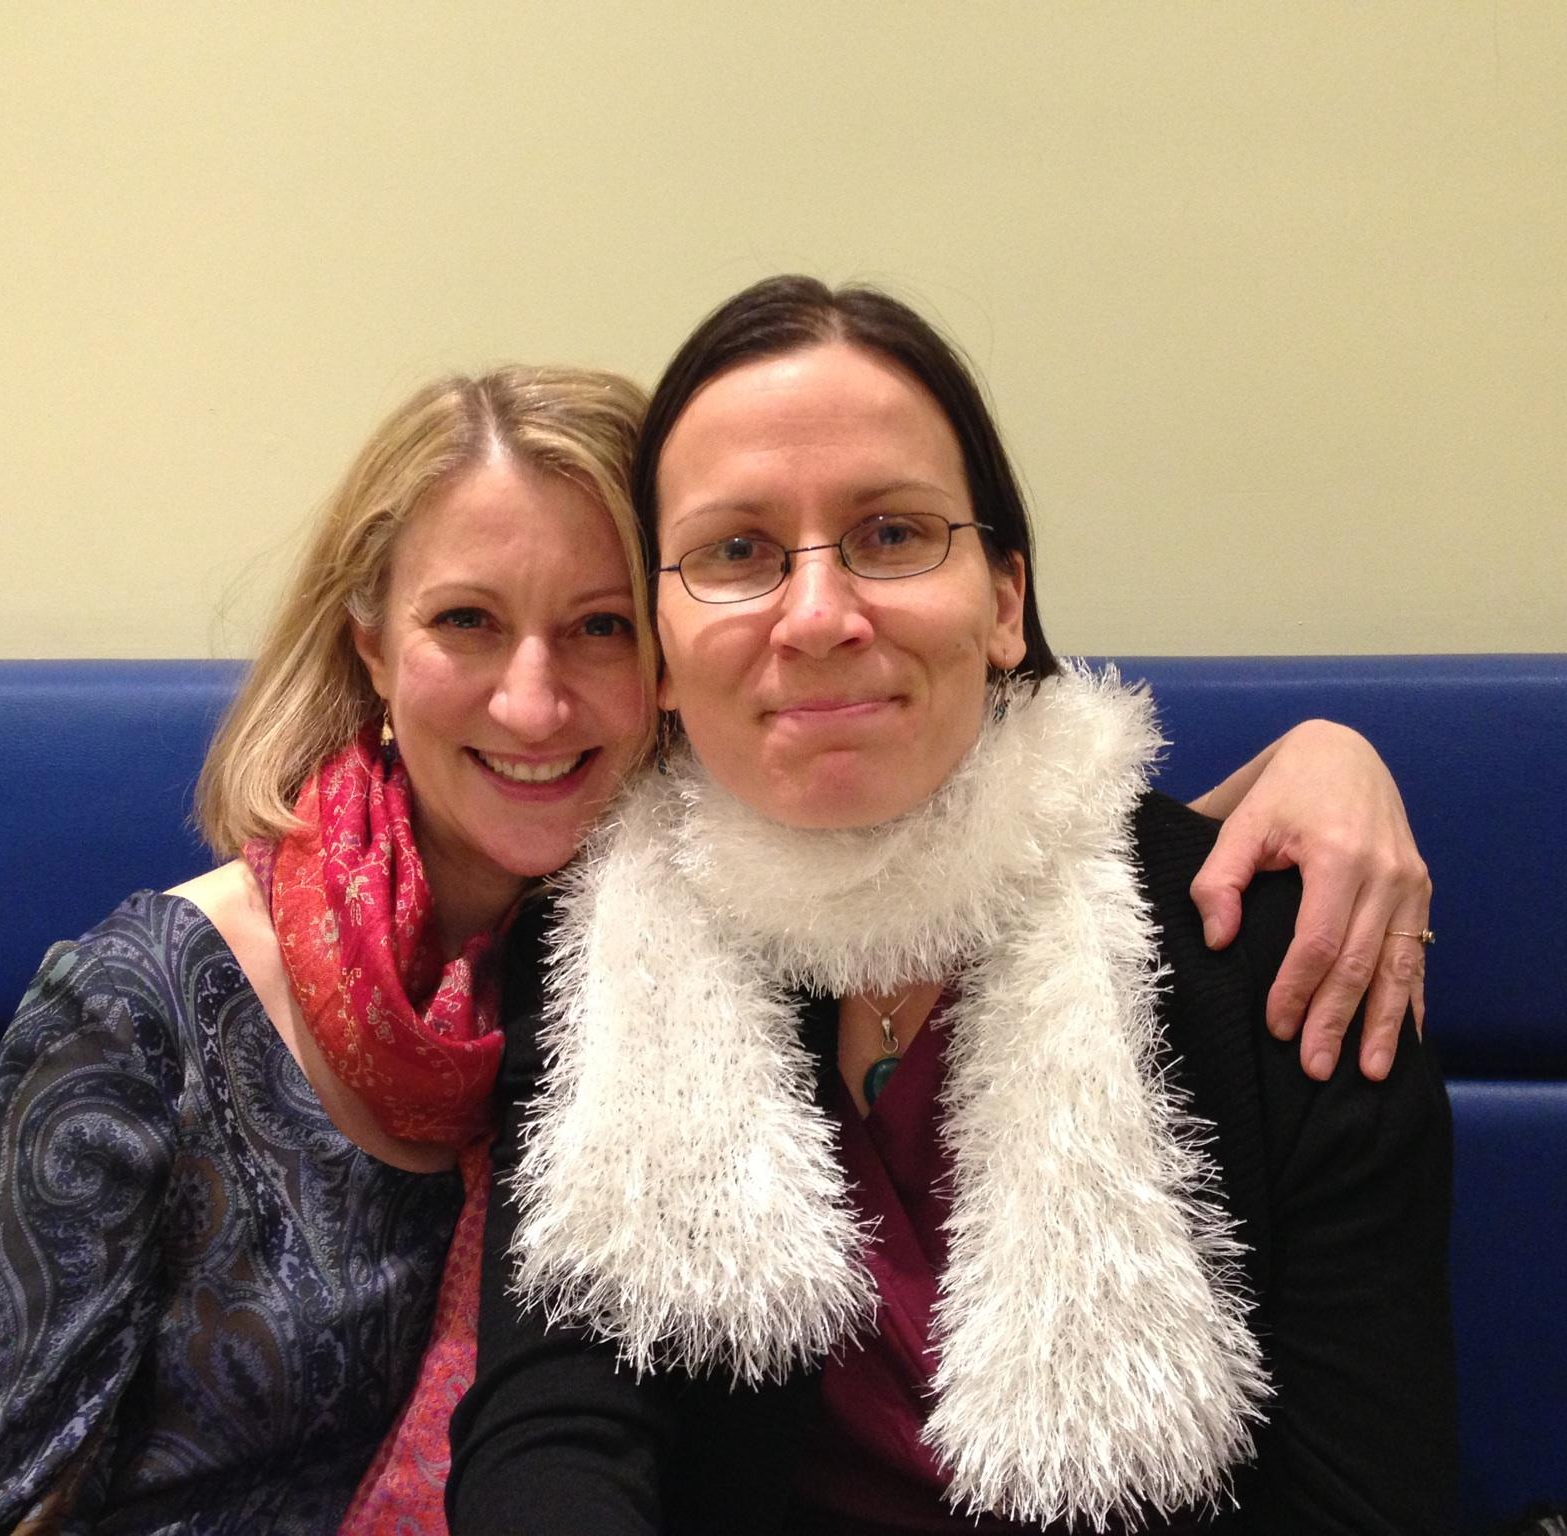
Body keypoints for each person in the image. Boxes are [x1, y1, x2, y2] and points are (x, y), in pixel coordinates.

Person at [0, 352, 1428, 1534]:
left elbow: (1047, 844)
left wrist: (1324, 758)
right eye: (467, 621)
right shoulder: (177, 1002)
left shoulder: (665, 921)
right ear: (371, 646)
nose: (535, 701)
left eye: (597, 626)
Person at [447, 279, 1455, 1535]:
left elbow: (1366, 1500)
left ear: (1002, 603)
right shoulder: (595, 952)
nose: (817, 617)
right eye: (735, 553)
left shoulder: (1275, 952)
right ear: (659, 642)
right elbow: (554, 1427)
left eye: (890, 535)